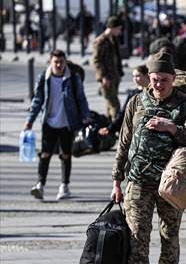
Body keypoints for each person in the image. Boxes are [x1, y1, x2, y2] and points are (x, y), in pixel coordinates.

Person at [111, 51, 186, 264]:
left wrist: (172, 128)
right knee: (137, 240)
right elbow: (124, 142)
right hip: (139, 182)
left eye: (164, 80)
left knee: (169, 239)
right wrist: (116, 179)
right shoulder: (136, 102)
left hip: (171, 185)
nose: (158, 85)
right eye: (154, 80)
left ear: (173, 79)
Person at [25, 49, 91, 201]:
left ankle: (64, 186)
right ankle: (40, 185)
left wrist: (86, 117)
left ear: (65, 62)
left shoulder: (73, 78)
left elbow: (81, 99)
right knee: (45, 154)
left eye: (61, 62)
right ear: (50, 61)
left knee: (66, 155)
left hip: (67, 123)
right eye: (56, 62)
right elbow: (37, 101)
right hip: (49, 123)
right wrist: (30, 120)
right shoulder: (44, 78)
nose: (59, 65)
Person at [98, 65, 150, 137]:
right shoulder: (133, 94)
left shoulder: (154, 92)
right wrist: (110, 128)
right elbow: (123, 113)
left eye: (138, 76)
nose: (135, 79)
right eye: (133, 76)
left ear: (146, 76)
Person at [92, 16, 124, 121]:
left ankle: (109, 127)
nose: (120, 32)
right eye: (119, 29)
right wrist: (103, 77)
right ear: (112, 28)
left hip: (114, 76)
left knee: (110, 104)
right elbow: (96, 61)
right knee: (114, 104)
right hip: (107, 77)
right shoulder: (100, 41)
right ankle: (117, 127)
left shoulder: (113, 40)